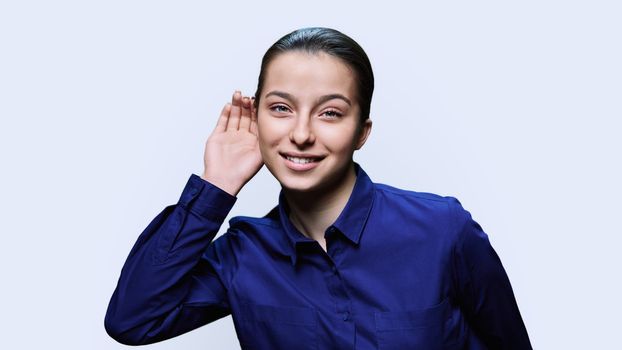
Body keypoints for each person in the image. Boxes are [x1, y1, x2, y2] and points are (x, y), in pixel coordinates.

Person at [104, 27, 532, 349]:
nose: (302, 134)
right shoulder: (242, 254)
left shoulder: (443, 231)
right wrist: (216, 187)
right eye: (281, 109)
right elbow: (133, 320)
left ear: (361, 132)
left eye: (330, 113)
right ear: (256, 120)